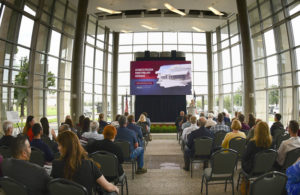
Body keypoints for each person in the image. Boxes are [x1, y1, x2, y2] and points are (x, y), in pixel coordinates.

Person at [51, 131, 119, 195]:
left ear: (66, 147)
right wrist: (115, 188)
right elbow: (107, 187)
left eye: (59, 145)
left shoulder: (56, 165)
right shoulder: (89, 165)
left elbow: (53, 186)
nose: (58, 148)